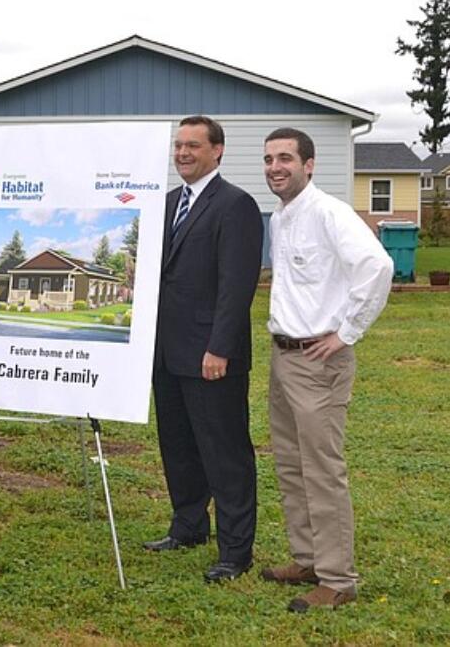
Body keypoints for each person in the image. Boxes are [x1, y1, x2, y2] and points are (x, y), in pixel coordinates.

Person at [260, 127, 392, 612]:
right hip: (284, 356)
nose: (276, 167)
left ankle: (337, 580)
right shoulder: (280, 218)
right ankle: (308, 559)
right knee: (291, 464)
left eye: (286, 159)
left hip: (320, 361)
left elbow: (377, 268)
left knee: (321, 469)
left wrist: (345, 333)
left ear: (309, 165)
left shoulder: (330, 214)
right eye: (269, 159)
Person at [146, 116, 264, 583]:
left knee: (224, 453)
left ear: (218, 151)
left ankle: (236, 551)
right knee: (178, 446)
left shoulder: (235, 205)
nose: (183, 153)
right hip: (167, 354)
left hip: (212, 357)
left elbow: (237, 286)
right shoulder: (169, 203)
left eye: (193, 145)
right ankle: (188, 526)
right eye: (178, 146)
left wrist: (220, 348)